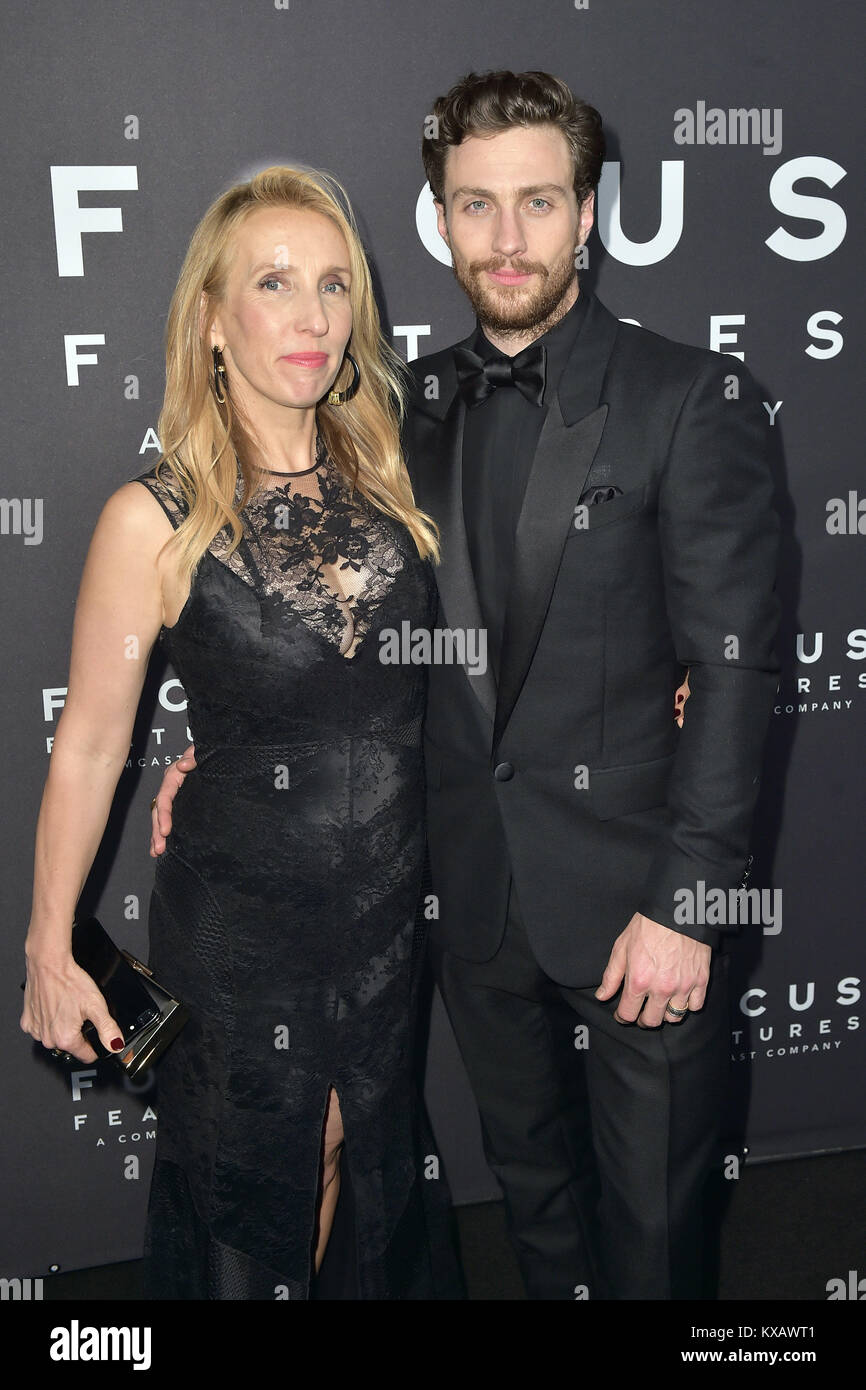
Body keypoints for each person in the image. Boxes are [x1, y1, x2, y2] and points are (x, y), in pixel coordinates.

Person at [152, 71, 781, 1300]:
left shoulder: (685, 400)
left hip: (638, 907)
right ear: (439, 219)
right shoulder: (392, 414)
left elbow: (736, 665)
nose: (506, 240)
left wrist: (690, 903)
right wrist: (224, 751)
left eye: (537, 203)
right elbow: (335, 621)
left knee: (654, 1238)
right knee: (535, 1216)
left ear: (587, 213)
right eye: (474, 206)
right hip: (466, 904)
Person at [21, 164, 462, 1301]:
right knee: (252, 1172)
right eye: (274, 284)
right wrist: (48, 939)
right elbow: (90, 741)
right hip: (242, 918)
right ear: (213, 321)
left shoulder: (394, 474)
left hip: (380, 914)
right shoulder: (152, 518)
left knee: (355, 1151)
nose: (311, 317)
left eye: (331, 284)